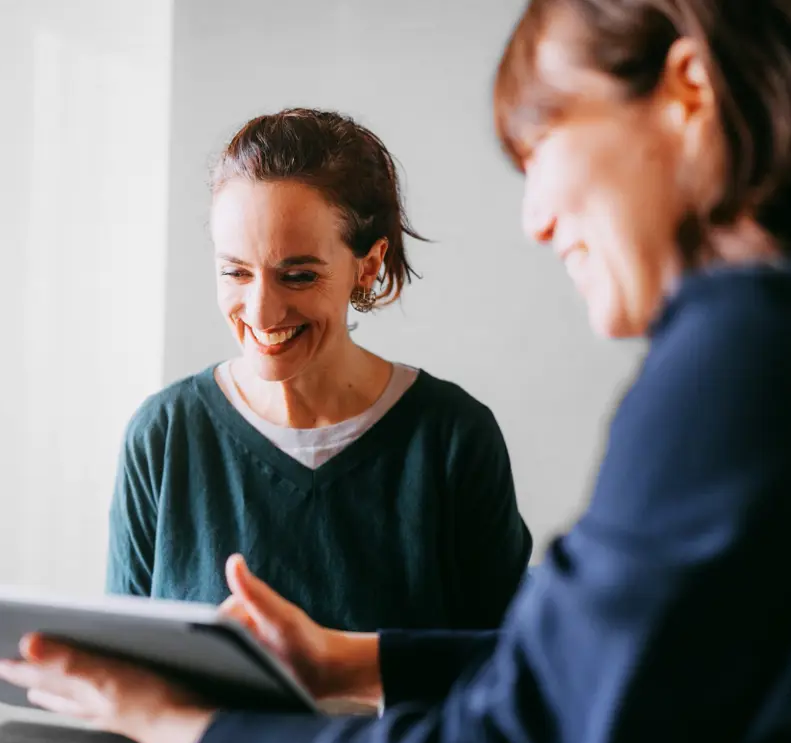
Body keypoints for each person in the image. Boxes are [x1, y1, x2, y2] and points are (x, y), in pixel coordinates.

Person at [0, 0, 791, 743]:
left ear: (687, 91)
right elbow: (603, 676)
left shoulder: (764, 350)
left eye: (544, 143)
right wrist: (350, 659)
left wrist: (185, 725)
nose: (533, 214)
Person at [104, 108, 532, 633]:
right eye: (235, 272)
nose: (261, 313)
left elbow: (513, 671)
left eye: (299, 276)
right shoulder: (164, 435)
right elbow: (126, 669)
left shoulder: (452, 439)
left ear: (368, 266)